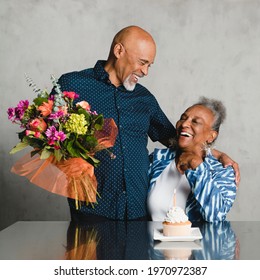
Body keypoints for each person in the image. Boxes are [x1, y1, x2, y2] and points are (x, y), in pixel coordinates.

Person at [54, 25, 239, 222]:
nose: (145, 71)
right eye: (142, 63)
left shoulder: (145, 98)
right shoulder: (71, 85)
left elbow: (174, 138)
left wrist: (215, 153)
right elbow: (51, 138)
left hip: (138, 212)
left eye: (150, 65)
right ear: (119, 51)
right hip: (91, 208)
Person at [147, 97, 237, 222]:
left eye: (195, 122)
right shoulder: (157, 159)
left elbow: (216, 216)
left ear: (211, 136)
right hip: (152, 240)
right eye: (183, 118)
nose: (184, 124)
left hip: (197, 242)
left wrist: (197, 167)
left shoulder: (223, 170)